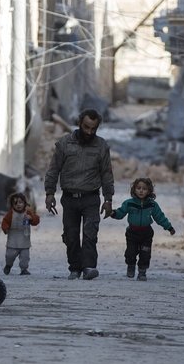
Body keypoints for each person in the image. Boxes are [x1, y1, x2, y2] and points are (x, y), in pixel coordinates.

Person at [44, 108, 115, 280]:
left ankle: (89, 267)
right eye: (86, 127)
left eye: (93, 129)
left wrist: (108, 199)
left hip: (91, 197)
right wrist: (50, 193)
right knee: (71, 234)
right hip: (69, 198)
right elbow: (54, 169)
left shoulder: (101, 146)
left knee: (90, 232)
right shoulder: (64, 144)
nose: (89, 132)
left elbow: (107, 173)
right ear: (79, 124)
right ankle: (74, 267)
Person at [105, 177, 175, 281]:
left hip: (146, 233)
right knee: (130, 252)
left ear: (149, 191)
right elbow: (121, 213)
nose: (141, 191)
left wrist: (169, 227)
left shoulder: (152, 205)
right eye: (138, 188)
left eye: (144, 188)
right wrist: (112, 213)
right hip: (132, 232)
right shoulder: (129, 203)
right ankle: (131, 265)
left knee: (145, 253)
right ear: (134, 190)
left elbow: (160, 217)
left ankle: (142, 271)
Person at [1, 193, 41, 275]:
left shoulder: (28, 213)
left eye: (20, 202)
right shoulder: (10, 214)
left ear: (24, 203)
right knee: (9, 255)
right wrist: (6, 229)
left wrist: (31, 218)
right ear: (12, 205)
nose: (18, 205)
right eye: (15, 203)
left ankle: (24, 269)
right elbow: (5, 222)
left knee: (25, 257)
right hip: (13, 241)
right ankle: (8, 265)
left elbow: (36, 220)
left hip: (24, 240)